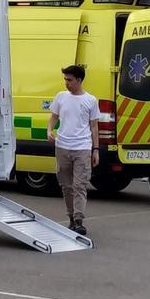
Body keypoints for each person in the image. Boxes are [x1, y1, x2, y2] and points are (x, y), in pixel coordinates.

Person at [47, 64, 99, 235]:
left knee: (80, 185)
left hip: (82, 148)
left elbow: (93, 126)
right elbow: (54, 116)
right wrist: (49, 130)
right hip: (62, 146)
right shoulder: (61, 97)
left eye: (69, 80)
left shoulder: (90, 100)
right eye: (65, 80)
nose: (66, 83)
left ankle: (79, 220)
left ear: (79, 80)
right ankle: (71, 217)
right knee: (66, 185)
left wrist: (95, 149)